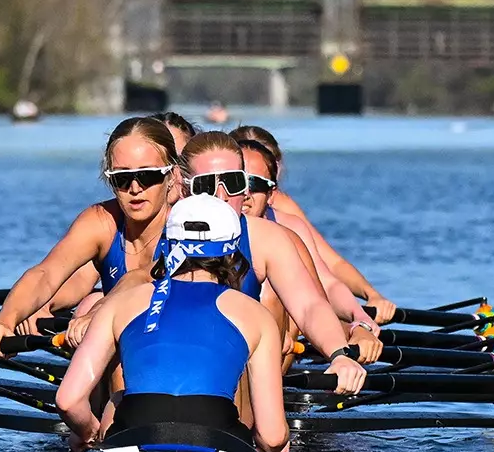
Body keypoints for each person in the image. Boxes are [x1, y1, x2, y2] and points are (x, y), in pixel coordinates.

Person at [57, 195, 289, 452]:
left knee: (117, 399)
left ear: (167, 245)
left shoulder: (120, 303)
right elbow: (272, 437)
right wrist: (272, 448)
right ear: (233, 253)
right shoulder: (256, 314)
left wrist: (89, 433)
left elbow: (68, 400)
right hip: (217, 433)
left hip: (134, 430)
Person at [156, 131, 372, 391]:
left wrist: (339, 356)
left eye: (233, 182)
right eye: (206, 185)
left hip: (234, 388)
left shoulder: (266, 238)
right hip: (164, 374)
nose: (222, 196)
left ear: (245, 189)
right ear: (184, 189)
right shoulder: (156, 234)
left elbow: (309, 305)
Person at [0, 117, 178, 356]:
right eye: (122, 178)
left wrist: (98, 312)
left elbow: (143, 282)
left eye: (147, 175)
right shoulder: (101, 221)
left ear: (172, 176)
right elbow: (45, 273)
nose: (134, 188)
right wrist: (5, 323)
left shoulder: (188, 226)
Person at [228, 124, 398, 325]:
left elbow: (328, 272)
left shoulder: (287, 218)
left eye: (256, 182)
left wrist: (365, 306)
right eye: (238, 180)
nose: (246, 193)